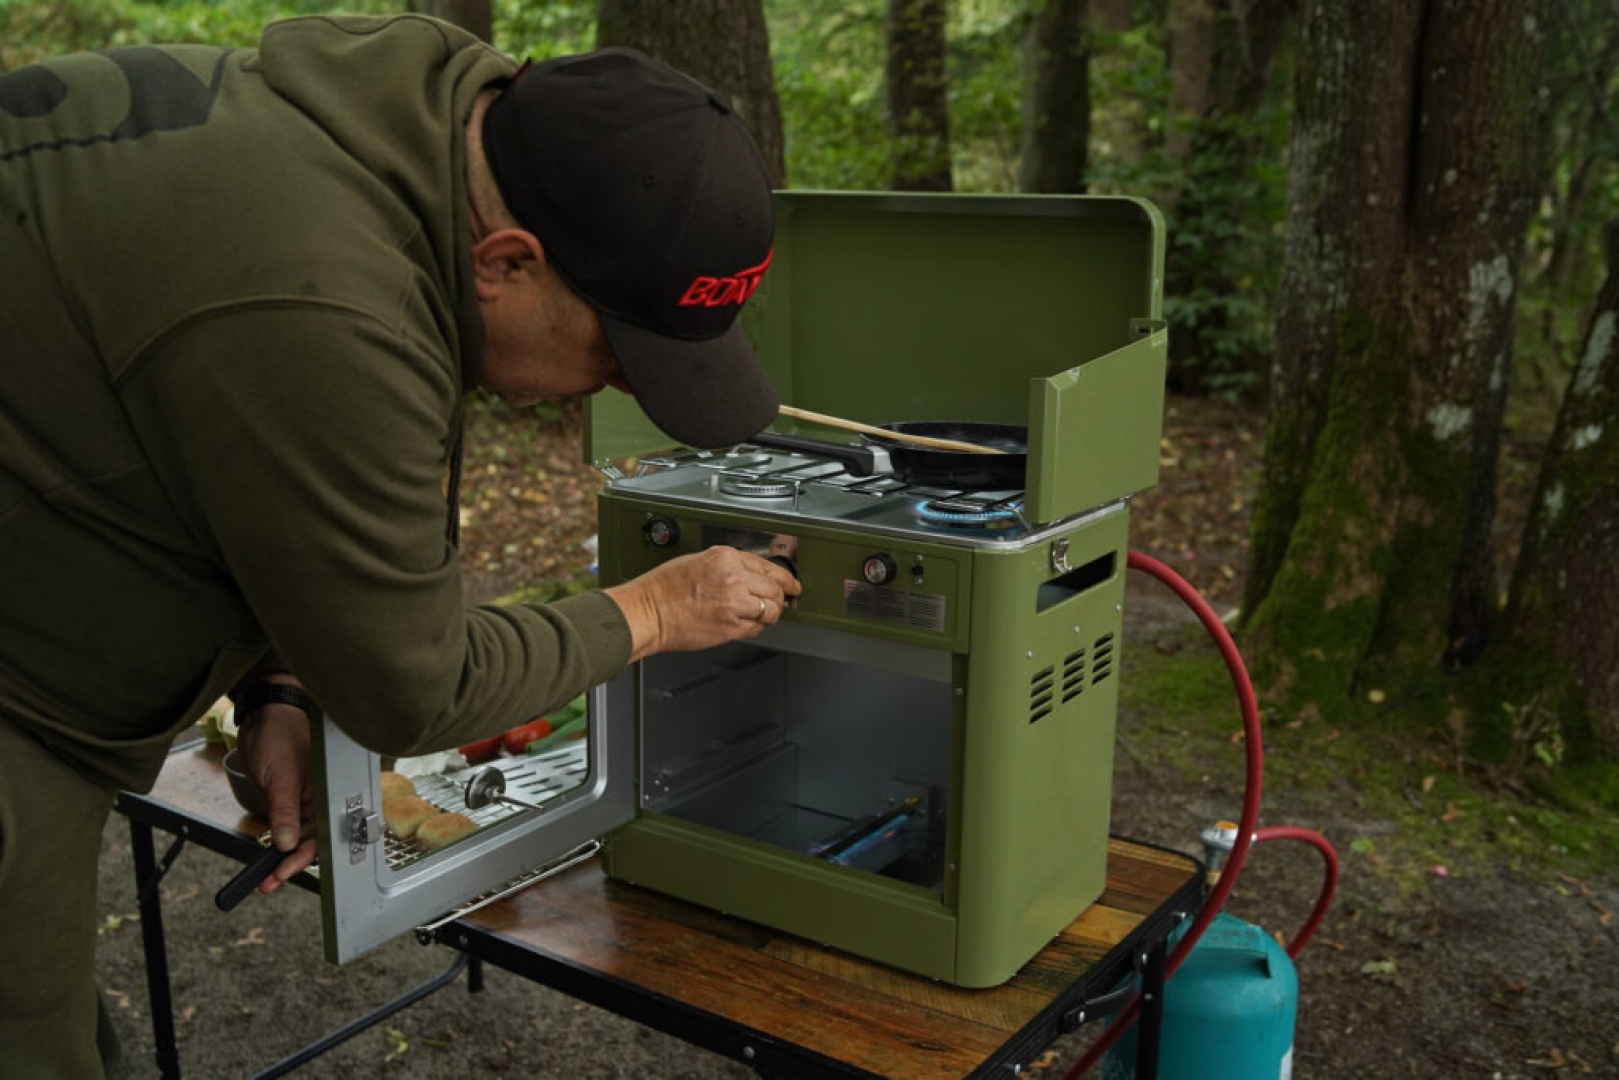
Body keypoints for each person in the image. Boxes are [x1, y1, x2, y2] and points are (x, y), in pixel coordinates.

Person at [0, 13, 800, 1076]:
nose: (617, 389)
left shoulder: (372, 149)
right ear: (506, 262)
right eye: (617, 352)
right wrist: (653, 610)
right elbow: (413, 688)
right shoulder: (317, 293)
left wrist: (279, 681)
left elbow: (209, 447)